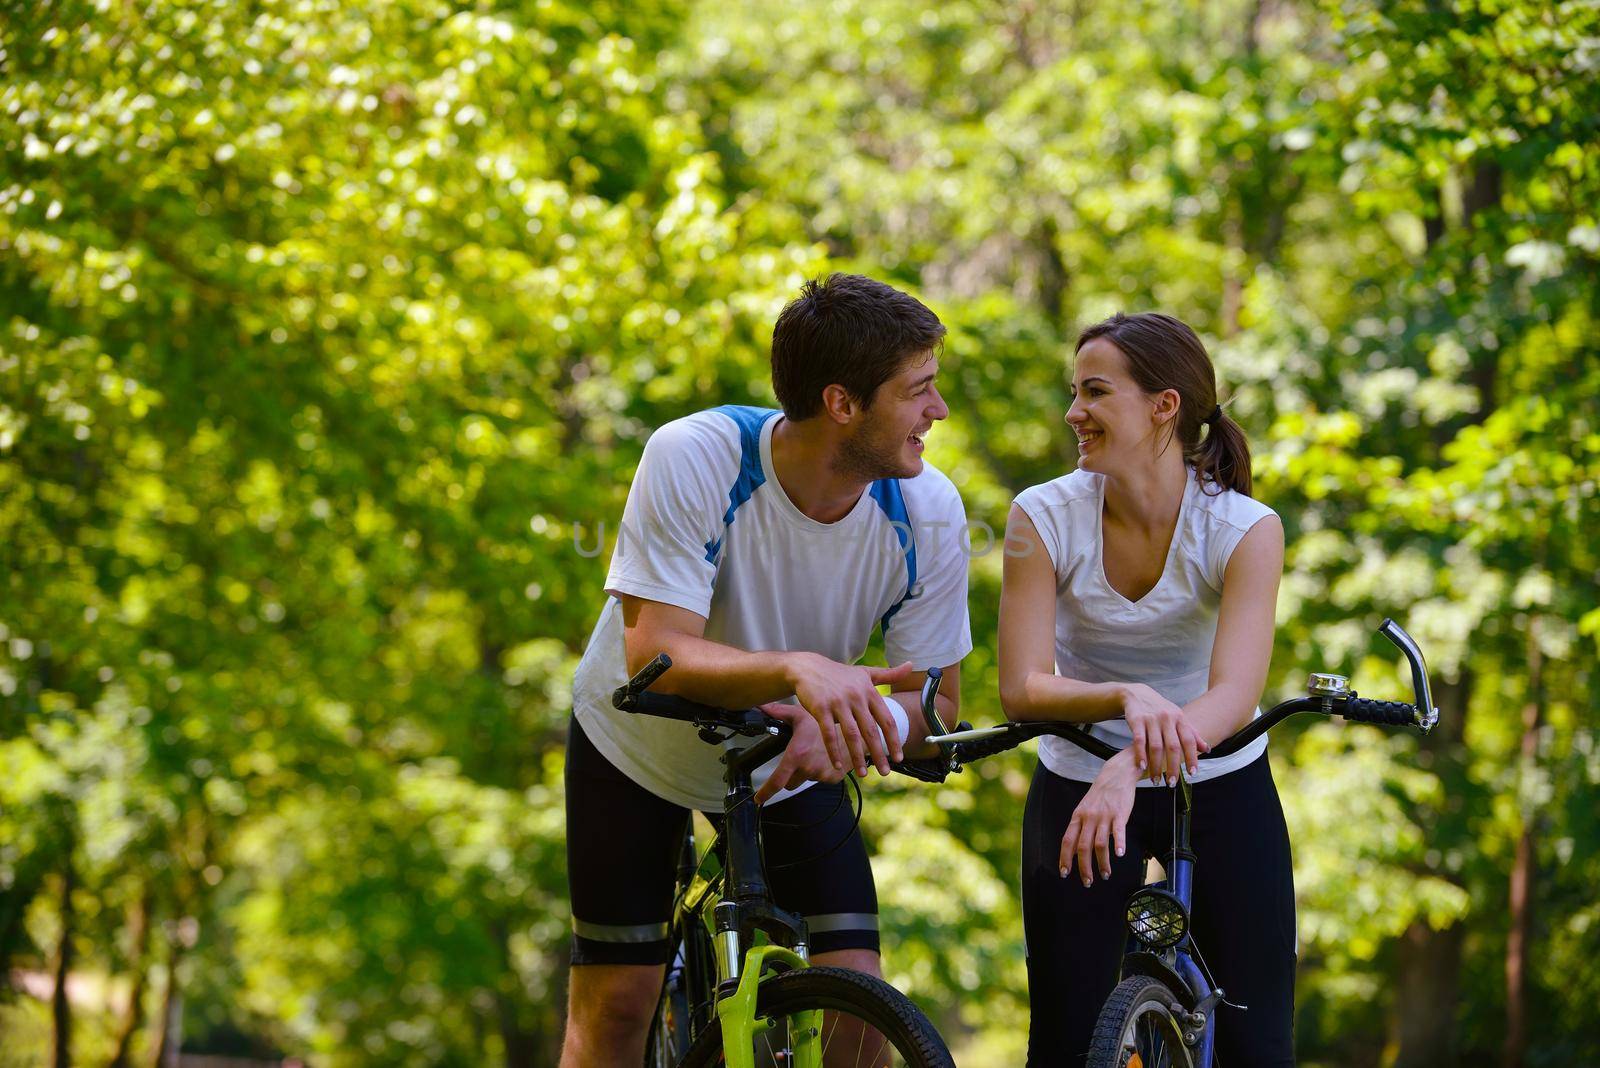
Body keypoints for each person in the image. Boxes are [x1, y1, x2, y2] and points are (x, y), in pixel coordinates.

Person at [560, 273, 973, 1067]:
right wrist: (799, 670)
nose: (939, 411)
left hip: (788, 757)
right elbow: (655, 654)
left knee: (860, 1006)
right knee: (617, 1006)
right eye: (918, 391)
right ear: (843, 404)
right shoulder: (696, 455)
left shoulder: (928, 509)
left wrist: (866, 727)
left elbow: (939, 700)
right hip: (636, 746)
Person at [998, 312, 1292, 1066]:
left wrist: (1130, 762)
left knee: (1258, 1044)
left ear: (1165, 405)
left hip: (1219, 780)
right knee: (1065, 1037)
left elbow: (1232, 696)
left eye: (1095, 393)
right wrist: (1124, 698)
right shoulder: (1040, 516)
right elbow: (1022, 688)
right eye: (1074, 392)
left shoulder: (1244, 528)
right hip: (1078, 784)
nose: (1073, 413)